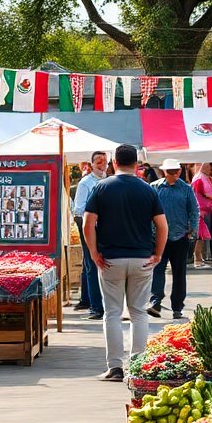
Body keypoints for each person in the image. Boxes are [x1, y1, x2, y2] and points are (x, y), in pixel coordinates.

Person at [84, 145, 167, 381]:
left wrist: (93, 252)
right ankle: (139, 365)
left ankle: (115, 367)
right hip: (142, 258)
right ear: (136, 164)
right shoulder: (148, 190)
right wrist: (158, 254)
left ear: (114, 162)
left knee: (112, 313)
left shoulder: (102, 187)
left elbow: (88, 224)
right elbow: (162, 226)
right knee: (139, 313)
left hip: (110, 259)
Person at [150, 159, 199, 319]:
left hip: (180, 236)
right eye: (170, 171)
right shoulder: (155, 187)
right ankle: (155, 301)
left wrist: (193, 231)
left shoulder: (186, 189)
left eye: (176, 171)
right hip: (158, 237)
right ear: (164, 172)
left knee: (179, 273)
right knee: (157, 269)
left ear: (179, 172)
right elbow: (148, 211)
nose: (174, 174)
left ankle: (177, 306)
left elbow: (194, 210)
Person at [72, 151, 108, 319]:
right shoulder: (85, 183)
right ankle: (96, 307)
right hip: (89, 226)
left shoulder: (110, 181)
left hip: (107, 228)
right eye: (99, 162)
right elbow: (78, 209)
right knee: (92, 264)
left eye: (105, 162)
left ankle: (96, 302)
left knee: (105, 264)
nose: (102, 165)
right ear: (91, 164)